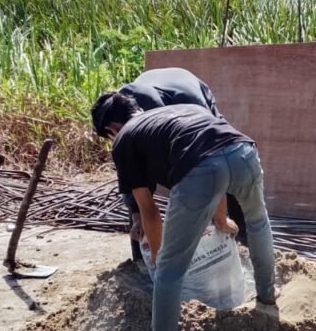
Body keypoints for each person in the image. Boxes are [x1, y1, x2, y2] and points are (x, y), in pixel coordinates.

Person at [91, 93, 277, 331]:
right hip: (243, 151)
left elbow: (148, 210)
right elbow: (216, 155)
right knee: (258, 223)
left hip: (203, 169)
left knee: (170, 269)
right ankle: (267, 296)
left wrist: (158, 257)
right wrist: (220, 219)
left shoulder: (124, 140)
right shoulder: (182, 110)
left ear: (110, 129)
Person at [92, 67, 245, 256]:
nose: (118, 143)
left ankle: (245, 240)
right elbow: (134, 177)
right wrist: (137, 215)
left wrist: (216, 215)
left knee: (224, 170)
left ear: (113, 129)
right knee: (139, 196)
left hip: (191, 99)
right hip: (158, 94)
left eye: (114, 139)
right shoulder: (120, 107)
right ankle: (140, 257)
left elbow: (210, 161)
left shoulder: (183, 113)